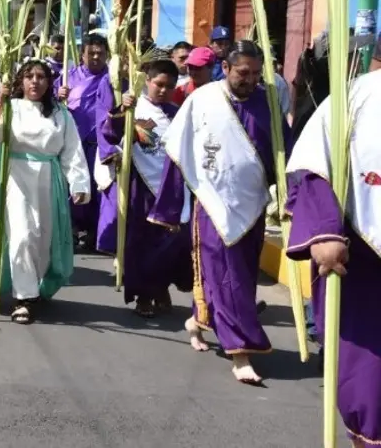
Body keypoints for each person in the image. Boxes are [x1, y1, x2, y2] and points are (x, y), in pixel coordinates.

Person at [148, 40, 289, 384]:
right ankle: (240, 351)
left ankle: (198, 320)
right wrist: (168, 206)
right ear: (225, 68)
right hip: (211, 203)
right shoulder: (202, 99)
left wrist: (290, 197)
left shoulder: (267, 101)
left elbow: (284, 153)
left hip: (253, 204)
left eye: (256, 73)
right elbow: (177, 152)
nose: (251, 80)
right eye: (244, 73)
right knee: (227, 277)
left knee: (239, 278)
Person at [285, 67, 381, 448]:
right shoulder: (356, 98)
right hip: (365, 256)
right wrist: (325, 231)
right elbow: (315, 166)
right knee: (369, 375)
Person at [0, 59, 90, 324]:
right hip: (15, 179)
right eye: (29, 76)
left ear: (49, 82)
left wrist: (79, 183)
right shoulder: (11, 107)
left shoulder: (60, 113)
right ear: (20, 81)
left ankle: (35, 286)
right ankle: (23, 298)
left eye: (40, 76)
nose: (35, 81)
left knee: (42, 239)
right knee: (22, 236)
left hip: (49, 182)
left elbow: (72, 151)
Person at [100, 59, 193, 317]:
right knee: (141, 244)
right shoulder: (132, 108)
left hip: (171, 189)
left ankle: (160, 287)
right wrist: (120, 113)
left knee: (172, 242)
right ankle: (143, 294)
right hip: (140, 187)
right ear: (147, 82)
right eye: (159, 84)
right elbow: (109, 135)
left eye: (170, 86)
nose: (163, 90)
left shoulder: (178, 113)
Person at [55, 33, 113, 250]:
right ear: (82, 55)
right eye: (91, 53)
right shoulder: (68, 77)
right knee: (72, 188)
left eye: (100, 53)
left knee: (99, 190)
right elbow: (50, 102)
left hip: (101, 146)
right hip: (73, 144)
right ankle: (68, 230)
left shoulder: (113, 79)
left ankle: (94, 233)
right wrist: (58, 94)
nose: (96, 57)